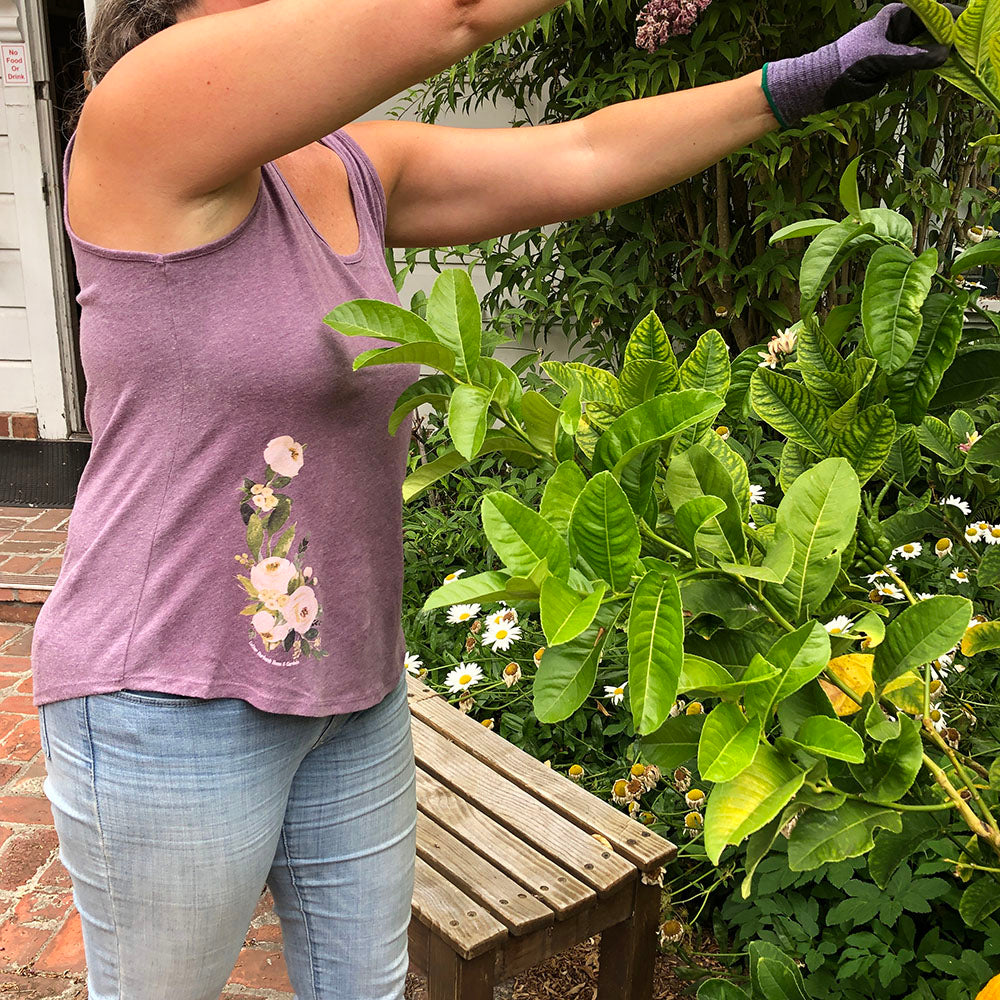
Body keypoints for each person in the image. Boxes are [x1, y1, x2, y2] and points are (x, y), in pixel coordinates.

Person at [30, 0, 955, 997]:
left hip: (352, 690)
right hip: (168, 697)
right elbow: (455, 15)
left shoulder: (349, 167)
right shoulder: (138, 123)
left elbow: (587, 153)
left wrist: (801, 80)